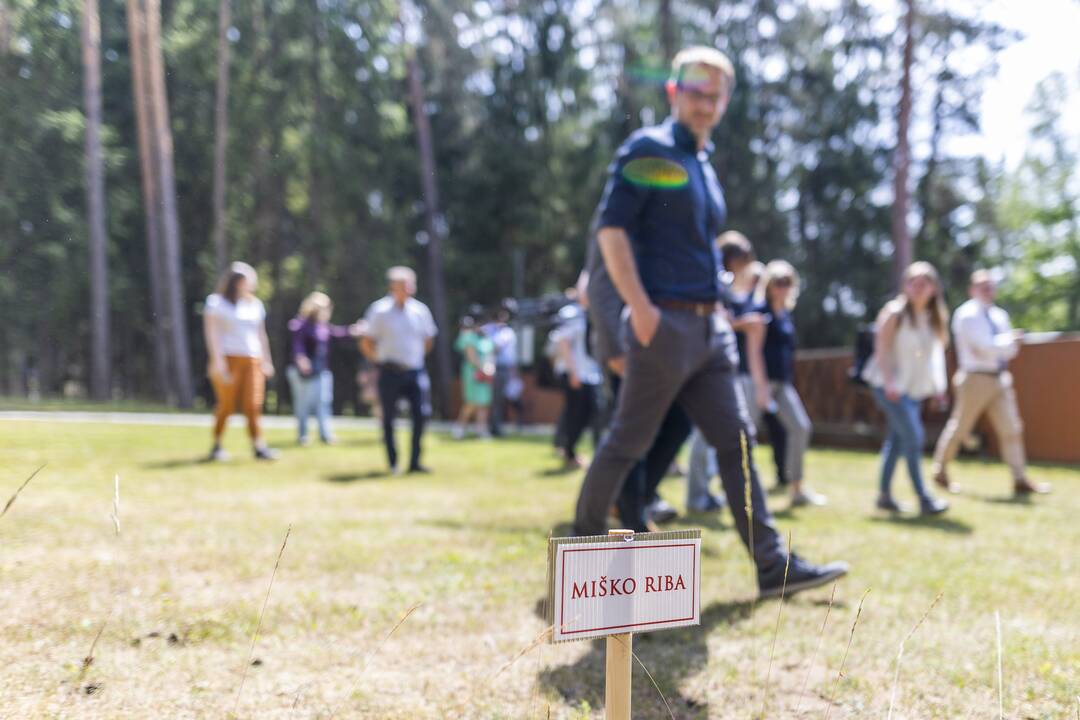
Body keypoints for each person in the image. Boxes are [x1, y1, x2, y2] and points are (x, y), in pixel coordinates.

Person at [573, 45, 847, 598]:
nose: (707, 101)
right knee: (629, 441)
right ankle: (581, 561)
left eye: (717, 93)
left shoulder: (703, 164)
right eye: (697, 89)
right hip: (663, 326)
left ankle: (772, 566)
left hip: (709, 332)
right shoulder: (647, 147)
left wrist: (719, 306)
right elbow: (611, 233)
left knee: (737, 443)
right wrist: (641, 312)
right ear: (674, 91)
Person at [931, 271, 1050, 496]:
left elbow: (1010, 350)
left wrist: (1004, 344)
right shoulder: (967, 314)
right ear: (972, 289)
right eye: (983, 285)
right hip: (975, 378)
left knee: (1012, 428)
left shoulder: (999, 315)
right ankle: (940, 470)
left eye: (991, 285)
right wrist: (1006, 342)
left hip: (1000, 378)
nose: (988, 289)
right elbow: (983, 346)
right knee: (961, 427)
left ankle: (1019, 478)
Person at [862, 262, 951, 515]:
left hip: (914, 390)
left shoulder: (934, 317)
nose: (918, 287)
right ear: (905, 286)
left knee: (897, 440)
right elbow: (881, 350)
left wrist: (939, 388)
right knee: (914, 437)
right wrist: (890, 383)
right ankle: (924, 497)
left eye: (924, 282)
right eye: (913, 282)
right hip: (888, 386)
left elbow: (936, 357)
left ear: (934, 288)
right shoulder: (895, 312)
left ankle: (884, 496)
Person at [745, 260, 825, 507]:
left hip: (782, 383)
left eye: (787, 282)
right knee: (743, 435)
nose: (783, 287)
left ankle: (796, 488)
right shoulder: (760, 311)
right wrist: (760, 387)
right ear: (768, 285)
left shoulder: (785, 314)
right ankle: (735, 490)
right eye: (778, 282)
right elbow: (754, 351)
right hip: (760, 381)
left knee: (800, 427)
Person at [360, 266, 437, 475]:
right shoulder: (379, 310)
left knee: (422, 415)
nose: (409, 289)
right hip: (389, 371)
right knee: (388, 418)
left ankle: (415, 462)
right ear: (393, 286)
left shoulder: (420, 311)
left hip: (415, 371)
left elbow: (428, 340)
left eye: (411, 284)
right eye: (404, 285)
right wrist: (377, 360)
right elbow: (367, 341)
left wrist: (416, 358)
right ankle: (393, 462)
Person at [203, 261, 278, 461]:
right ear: (237, 282)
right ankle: (217, 444)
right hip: (228, 358)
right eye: (249, 280)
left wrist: (266, 360)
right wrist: (217, 361)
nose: (253, 284)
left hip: (252, 359)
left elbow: (261, 335)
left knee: (253, 404)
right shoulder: (216, 303)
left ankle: (258, 445)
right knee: (226, 404)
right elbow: (212, 333)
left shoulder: (255, 305)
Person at [286, 292, 361, 446]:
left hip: (321, 370)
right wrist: (301, 359)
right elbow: (297, 345)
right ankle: (302, 436)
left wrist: (353, 330)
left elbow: (339, 334)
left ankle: (325, 435)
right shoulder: (300, 325)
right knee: (303, 405)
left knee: (323, 402)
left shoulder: (323, 327)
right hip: (302, 372)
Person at [551, 300, 603, 469]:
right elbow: (563, 343)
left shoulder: (594, 311)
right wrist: (573, 372)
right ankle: (569, 452)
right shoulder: (571, 312)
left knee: (590, 413)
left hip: (590, 374)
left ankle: (570, 450)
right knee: (575, 414)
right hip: (574, 373)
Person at [452, 316, 495, 439]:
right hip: (472, 374)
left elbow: (490, 356)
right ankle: (459, 428)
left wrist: (490, 369)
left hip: (486, 374)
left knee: (484, 403)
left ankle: (481, 430)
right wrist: (482, 369)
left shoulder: (487, 339)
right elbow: (471, 357)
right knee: (471, 402)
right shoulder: (469, 337)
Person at [485, 310, 518, 437]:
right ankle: (492, 426)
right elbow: (494, 347)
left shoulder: (507, 332)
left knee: (499, 399)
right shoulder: (489, 330)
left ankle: (496, 426)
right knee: (492, 399)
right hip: (493, 368)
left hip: (504, 368)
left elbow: (509, 353)